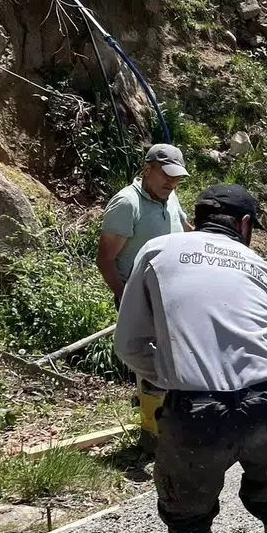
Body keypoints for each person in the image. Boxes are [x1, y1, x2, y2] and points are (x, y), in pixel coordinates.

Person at [113, 184, 267, 533]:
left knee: (186, 511)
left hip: (196, 414)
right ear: (244, 225)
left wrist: (174, 375)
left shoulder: (158, 252)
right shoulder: (263, 268)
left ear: (194, 220)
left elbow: (129, 345)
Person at [97, 144, 192, 446]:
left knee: (174, 358)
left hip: (175, 296)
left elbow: (186, 229)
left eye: (177, 178)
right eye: (166, 176)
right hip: (140, 297)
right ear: (147, 169)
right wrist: (125, 299)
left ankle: (174, 422)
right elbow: (105, 258)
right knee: (151, 362)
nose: (172, 183)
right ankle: (152, 435)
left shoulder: (170, 196)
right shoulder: (127, 204)